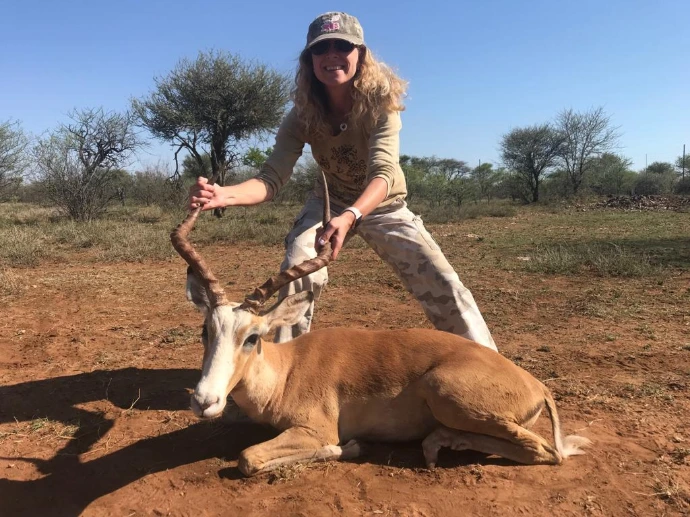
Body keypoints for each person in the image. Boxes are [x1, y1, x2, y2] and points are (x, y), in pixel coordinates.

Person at [189, 12, 498, 352]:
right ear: (309, 60)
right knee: (298, 269)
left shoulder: (381, 103)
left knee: (443, 283)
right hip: (329, 204)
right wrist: (225, 194)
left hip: (384, 205)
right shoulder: (302, 114)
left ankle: (490, 368)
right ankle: (288, 371)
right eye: (321, 49)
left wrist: (352, 215)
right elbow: (271, 178)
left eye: (343, 46)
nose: (332, 55)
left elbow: (384, 173)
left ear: (360, 55)